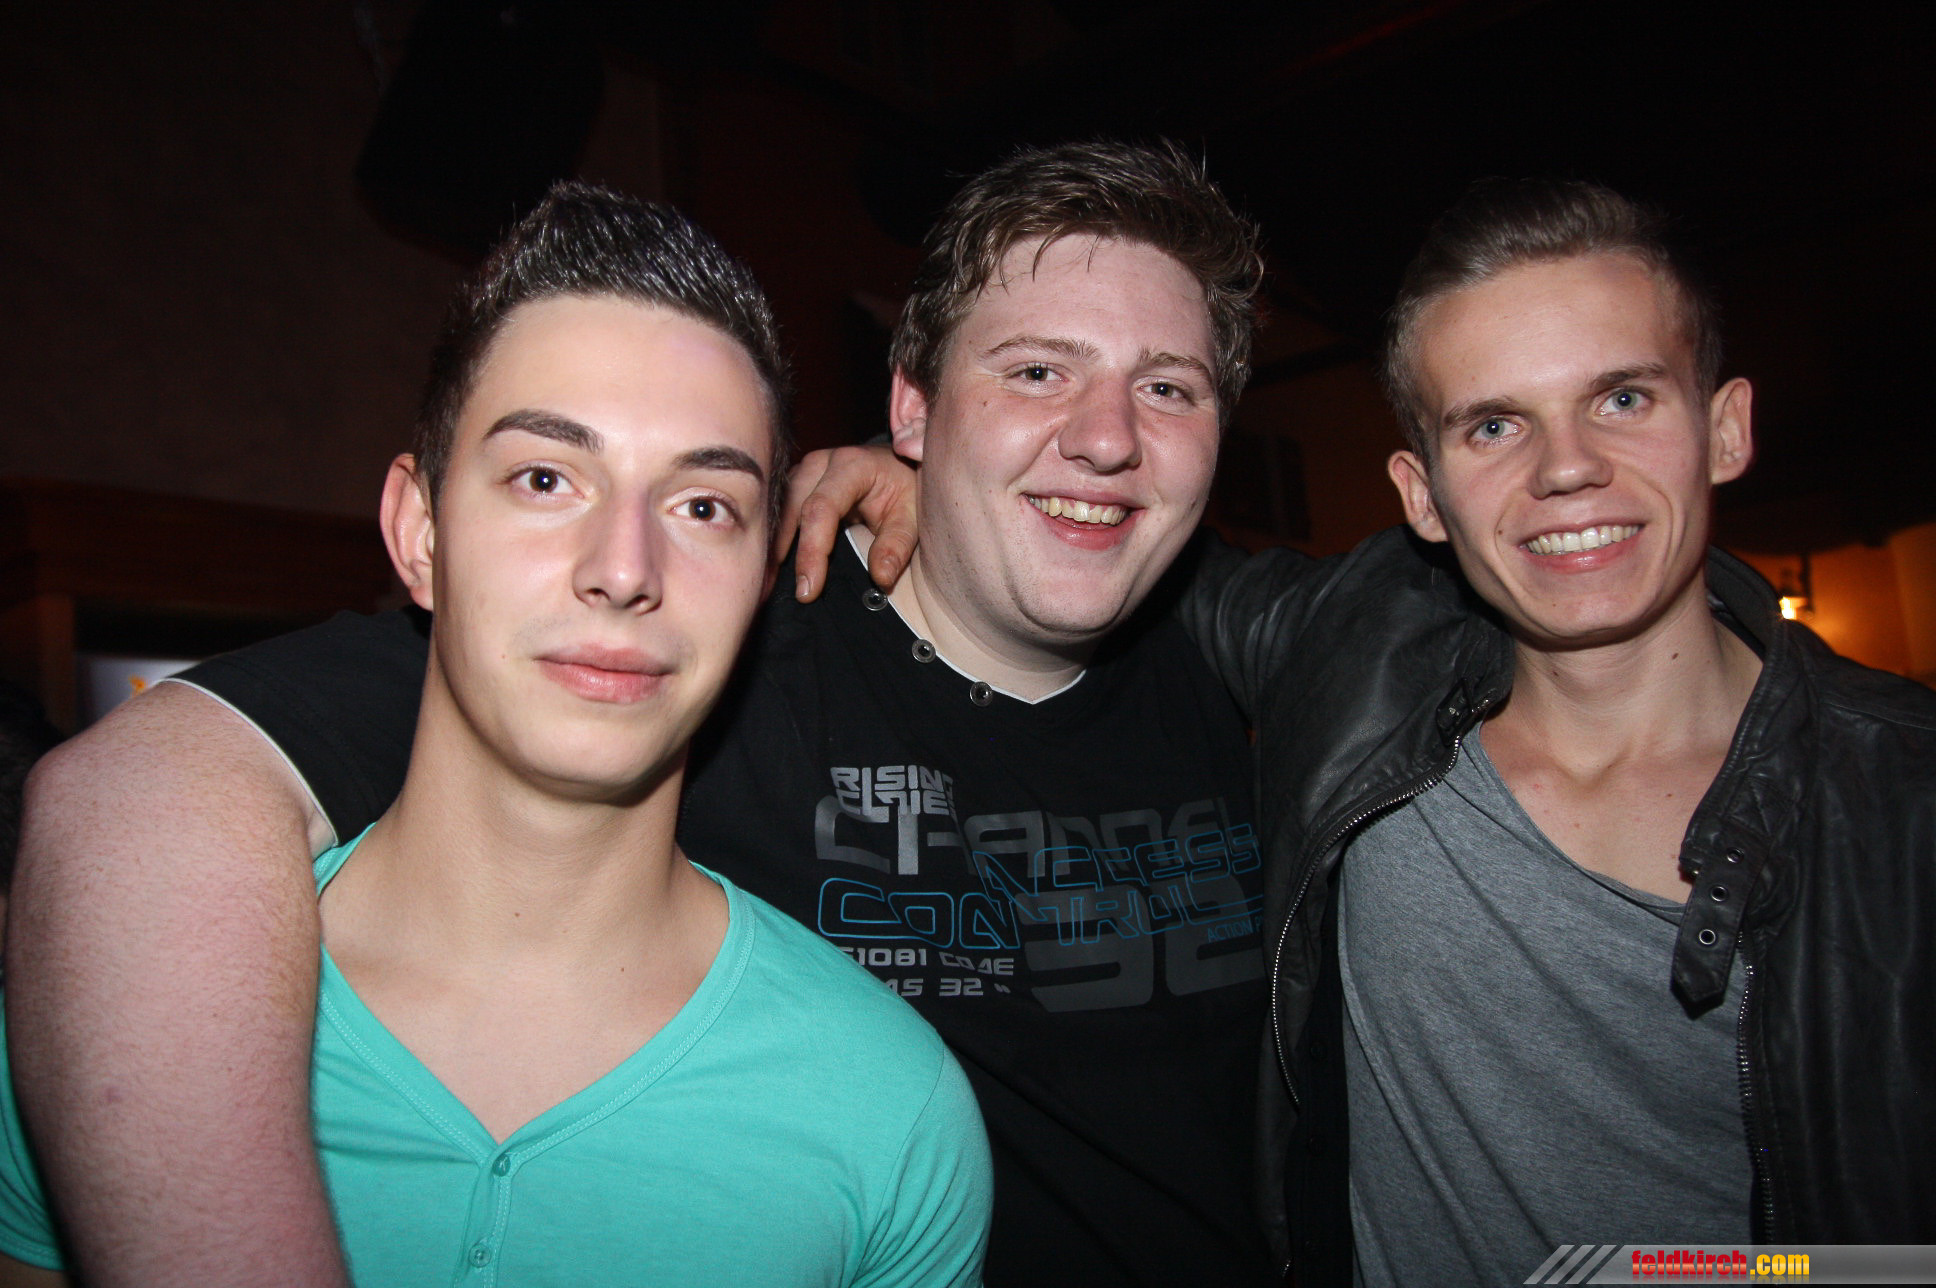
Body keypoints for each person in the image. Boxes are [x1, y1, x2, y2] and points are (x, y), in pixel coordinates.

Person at [12, 142, 1277, 1286]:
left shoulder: (1256, 674)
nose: (1105, 437)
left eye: (1169, 388)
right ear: (911, 406)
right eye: (1037, 369)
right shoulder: (716, 649)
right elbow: (153, 782)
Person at [802, 177, 1936, 1282]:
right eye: (1494, 424)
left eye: (1623, 400)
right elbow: (1083, 536)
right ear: (1421, 492)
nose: (1568, 467)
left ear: (1725, 428)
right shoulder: (1353, 660)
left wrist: (1659, 1272)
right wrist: (917, 476)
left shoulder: (1902, 805)